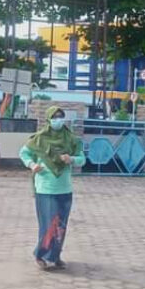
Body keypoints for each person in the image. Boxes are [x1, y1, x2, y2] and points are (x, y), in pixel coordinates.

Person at [19, 106, 85, 270]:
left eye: (61, 117)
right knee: (49, 224)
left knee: (61, 225)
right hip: (45, 187)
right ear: (48, 119)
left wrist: (71, 159)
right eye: (54, 117)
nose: (58, 120)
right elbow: (24, 153)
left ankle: (55, 256)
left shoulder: (71, 139)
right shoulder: (39, 138)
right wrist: (32, 165)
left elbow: (82, 158)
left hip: (65, 188)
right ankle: (40, 255)